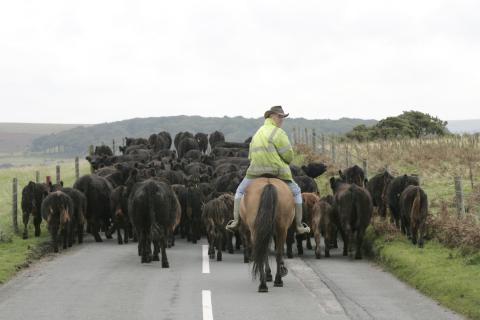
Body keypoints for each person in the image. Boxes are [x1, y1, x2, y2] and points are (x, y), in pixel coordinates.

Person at [226, 106, 310, 234]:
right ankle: (299, 225)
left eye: (283, 117)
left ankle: (236, 221)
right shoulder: (279, 133)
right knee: (297, 192)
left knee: (239, 191)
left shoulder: (257, 133)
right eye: (280, 116)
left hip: (255, 172)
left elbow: (250, 156)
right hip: (278, 172)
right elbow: (288, 156)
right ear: (271, 116)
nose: (282, 120)